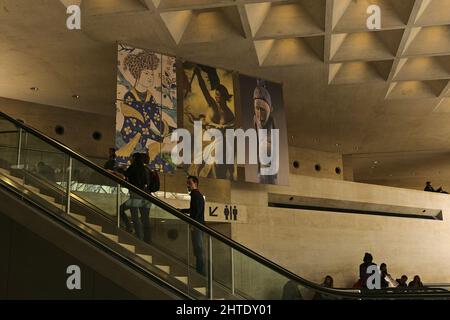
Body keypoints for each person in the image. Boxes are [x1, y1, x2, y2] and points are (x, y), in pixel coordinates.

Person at [253, 80, 278, 184]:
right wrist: (258, 168)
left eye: (262, 110)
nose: (259, 114)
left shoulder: (271, 119)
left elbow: (276, 143)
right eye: (257, 109)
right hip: (262, 163)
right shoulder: (255, 119)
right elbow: (256, 142)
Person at [180, 176, 206, 275]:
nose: (187, 185)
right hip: (198, 225)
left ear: (195, 183)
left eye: (189, 183)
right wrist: (183, 211)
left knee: (198, 248)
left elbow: (197, 211)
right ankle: (200, 269)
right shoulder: (197, 195)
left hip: (197, 226)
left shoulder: (196, 195)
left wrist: (192, 223)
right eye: (187, 183)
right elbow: (195, 210)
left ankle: (200, 270)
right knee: (198, 248)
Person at [119, 153, 148, 240]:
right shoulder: (143, 169)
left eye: (131, 157)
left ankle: (138, 236)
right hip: (140, 195)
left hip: (134, 195)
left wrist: (120, 170)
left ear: (134, 158)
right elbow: (145, 182)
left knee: (133, 216)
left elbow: (125, 175)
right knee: (130, 213)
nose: (130, 159)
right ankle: (133, 230)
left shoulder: (133, 166)